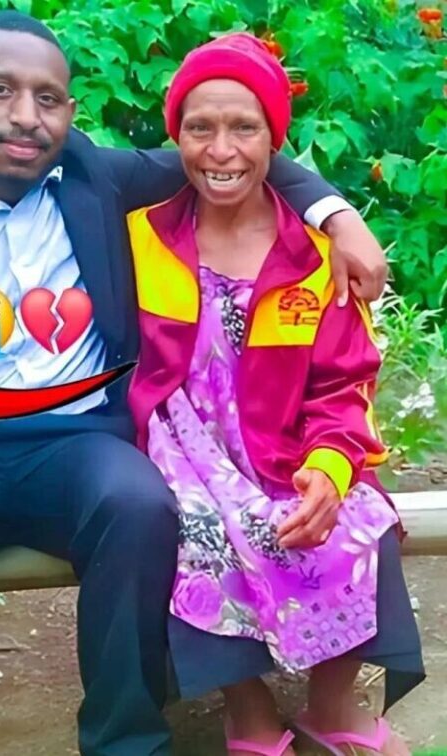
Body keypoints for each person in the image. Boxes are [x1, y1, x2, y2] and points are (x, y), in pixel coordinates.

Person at [0, 12, 392, 756]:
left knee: (140, 504)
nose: (27, 116)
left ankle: (127, 743)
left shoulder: (95, 173)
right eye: (1, 90)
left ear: (69, 111)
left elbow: (236, 147)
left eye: (48, 97)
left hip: (76, 443)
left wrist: (338, 216)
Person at [126, 33, 424, 756]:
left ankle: (332, 705)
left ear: (273, 141)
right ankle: (249, 711)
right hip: (180, 446)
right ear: (176, 137)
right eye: (201, 127)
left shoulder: (316, 256)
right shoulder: (138, 237)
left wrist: (327, 466)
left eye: (244, 128)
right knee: (196, 534)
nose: (221, 150)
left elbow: (343, 381)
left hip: (287, 438)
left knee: (357, 519)